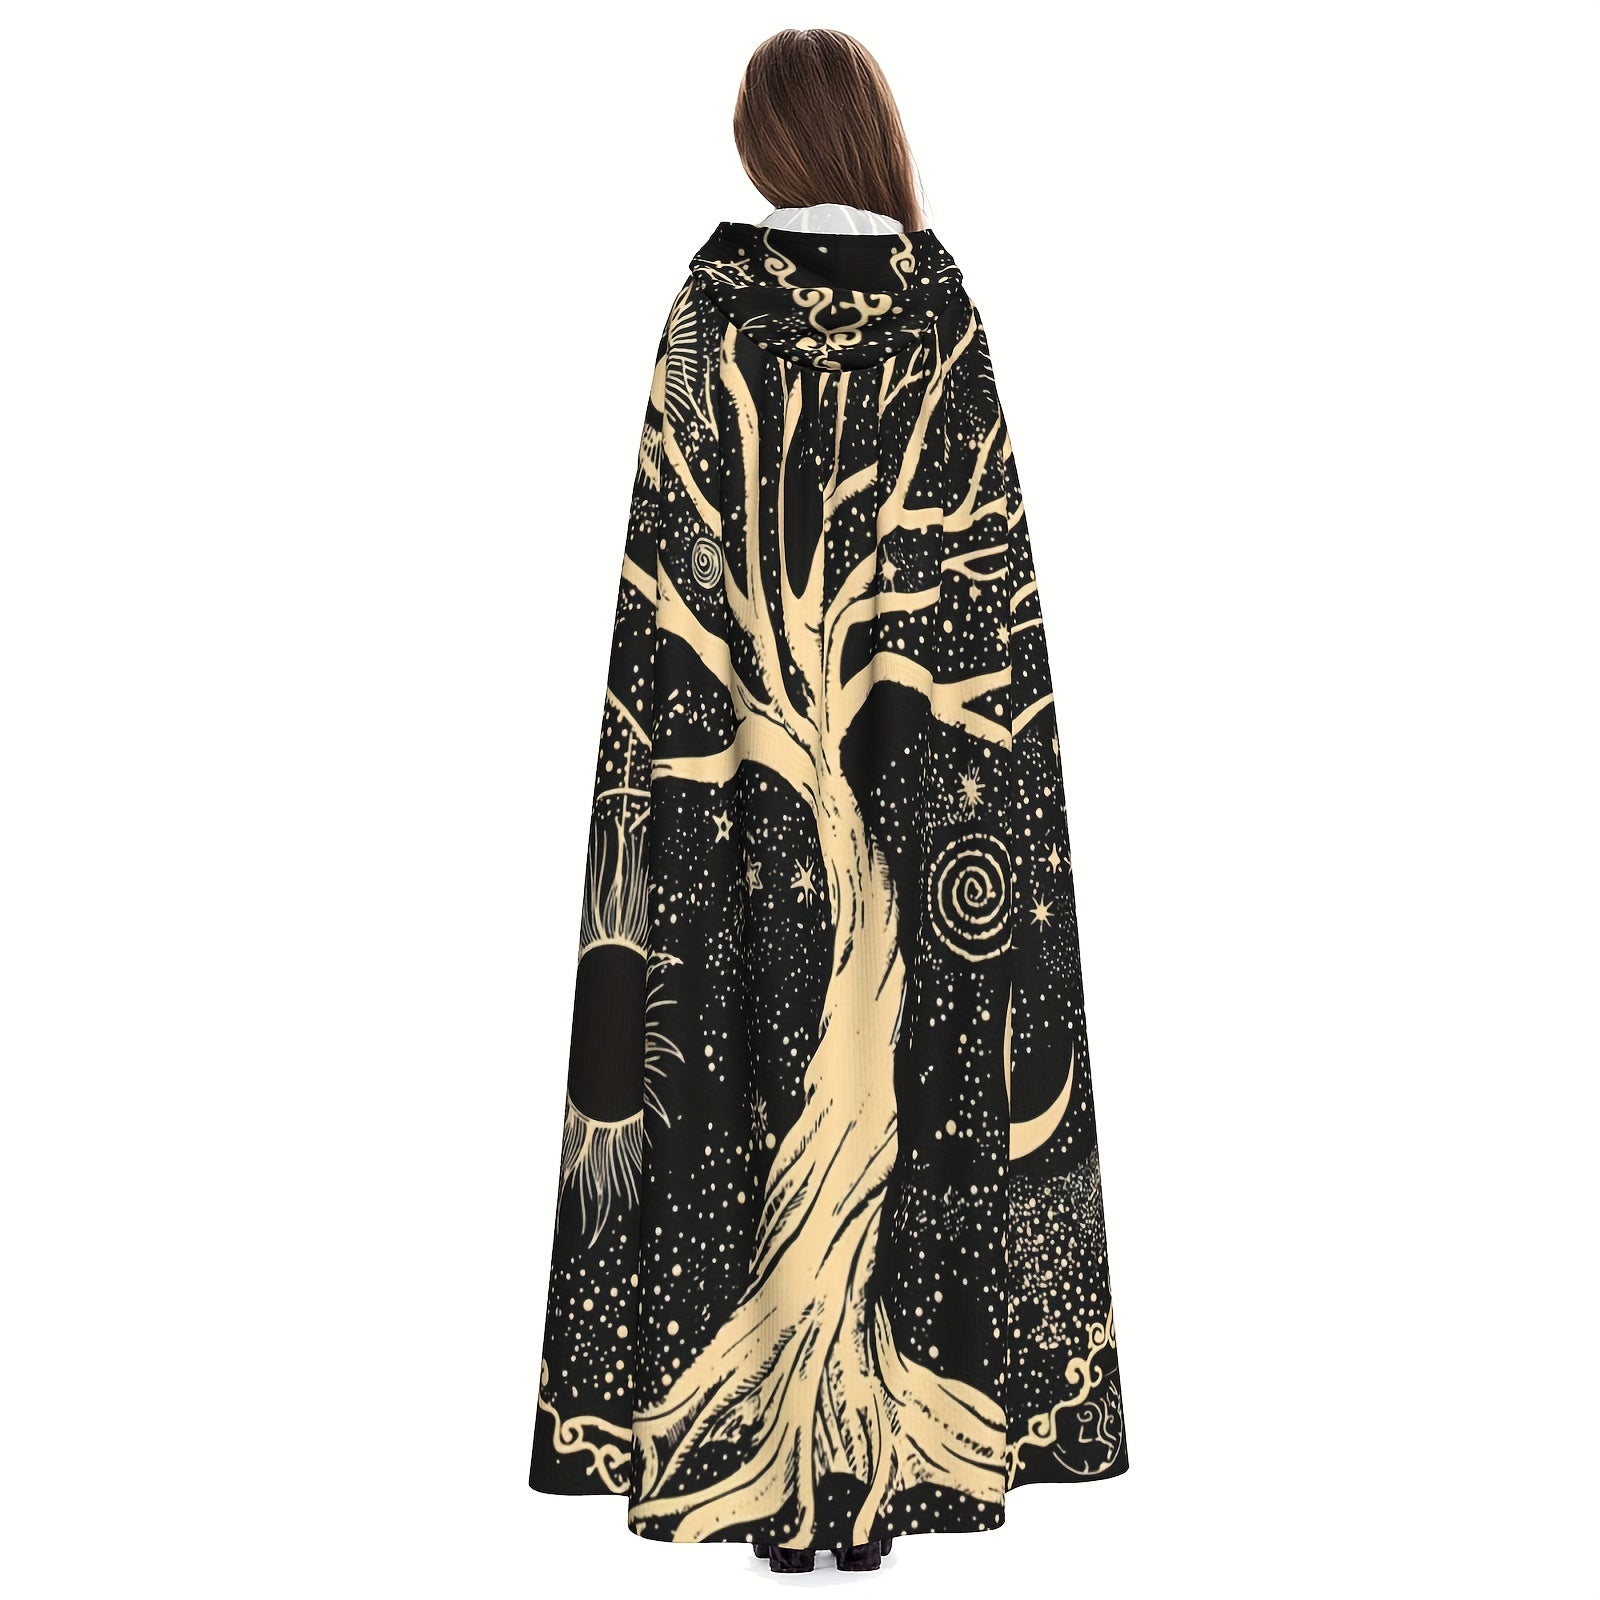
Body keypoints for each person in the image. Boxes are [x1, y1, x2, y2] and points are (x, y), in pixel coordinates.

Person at [529, 27, 1129, 1575]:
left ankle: (786, 1489)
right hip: (921, 800)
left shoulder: (710, 312)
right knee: (901, 1093)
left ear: (767, 144)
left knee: (746, 1090)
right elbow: (986, 607)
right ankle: (869, 1490)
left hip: (740, 798)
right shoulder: (941, 312)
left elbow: (671, 583)